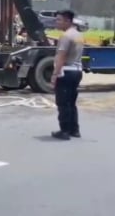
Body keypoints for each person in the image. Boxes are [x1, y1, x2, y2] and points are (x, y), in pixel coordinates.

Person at [51, 9, 84, 140]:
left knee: (63, 103)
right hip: (77, 71)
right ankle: (74, 130)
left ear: (68, 21)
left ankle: (64, 131)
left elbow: (61, 57)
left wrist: (54, 75)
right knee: (71, 102)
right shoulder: (78, 35)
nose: (56, 22)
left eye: (59, 20)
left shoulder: (66, 36)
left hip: (66, 71)